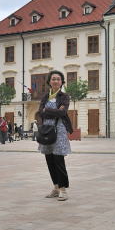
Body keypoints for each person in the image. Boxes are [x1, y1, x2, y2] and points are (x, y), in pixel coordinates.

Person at [37, 70, 72, 201]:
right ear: (49, 82)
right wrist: (54, 111)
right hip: (46, 131)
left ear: (61, 82)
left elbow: (62, 113)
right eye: (53, 79)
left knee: (59, 160)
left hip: (59, 130)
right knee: (50, 160)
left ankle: (63, 190)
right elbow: (40, 112)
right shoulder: (45, 97)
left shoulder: (64, 97)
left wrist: (47, 110)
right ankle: (56, 187)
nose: (56, 81)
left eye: (58, 79)